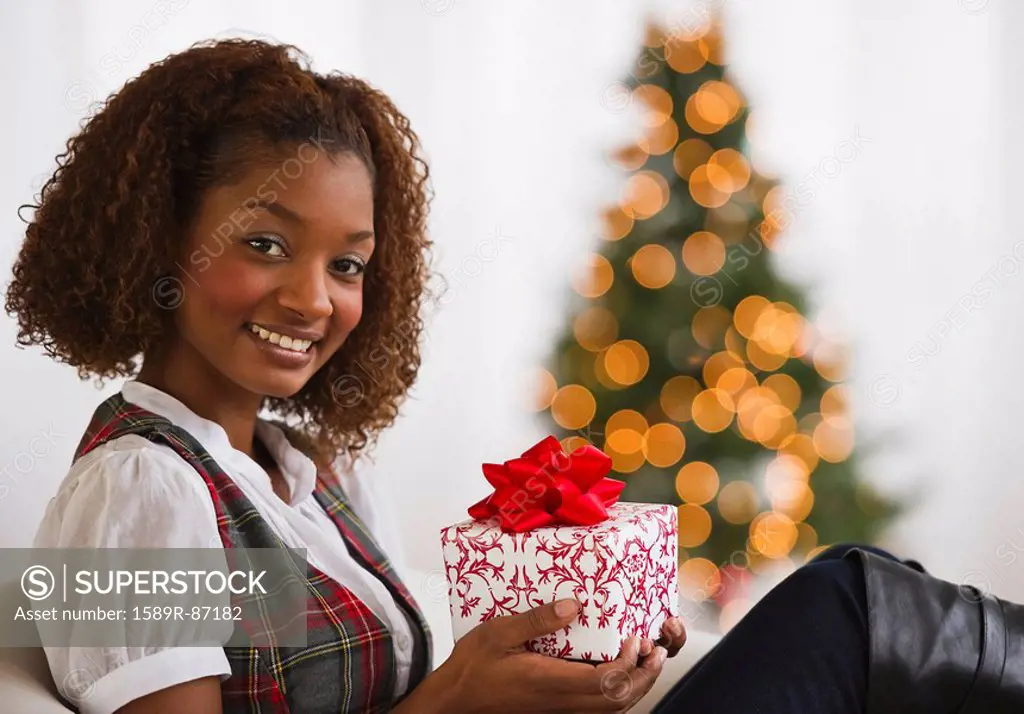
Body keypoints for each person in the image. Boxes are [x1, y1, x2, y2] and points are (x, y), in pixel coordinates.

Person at [8, 36, 1024, 714]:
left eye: (348, 264)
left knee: (871, 616)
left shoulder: (309, 474)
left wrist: (575, 664)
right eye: (267, 243)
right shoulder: (137, 489)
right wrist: (458, 697)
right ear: (157, 240)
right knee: (849, 603)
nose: (316, 299)